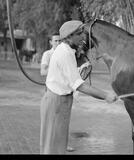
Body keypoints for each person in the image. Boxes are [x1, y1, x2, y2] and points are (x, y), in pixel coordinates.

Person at [40, 20, 118, 154]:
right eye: (79, 33)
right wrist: (106, 95)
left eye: (83, 31)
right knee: (51, 146)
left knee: (59, 144)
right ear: (69, 36)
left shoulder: (68, 50)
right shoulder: (64, 53)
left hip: (62, 101)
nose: (83, 36)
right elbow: (80, 86)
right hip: (56, 102)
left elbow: (69, 77)